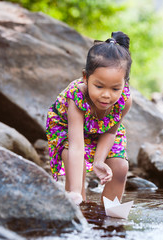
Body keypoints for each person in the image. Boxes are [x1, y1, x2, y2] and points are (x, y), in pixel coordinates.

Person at [46, 31, 133, 205]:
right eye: (99, 86)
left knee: (120, 167)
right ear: (86, 78)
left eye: (115, 88)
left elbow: (110, 132)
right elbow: (77, 146)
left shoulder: (124, 100)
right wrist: (77, 191)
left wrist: (99, 161)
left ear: (125, 83)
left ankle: (112, 218)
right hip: (68, 129)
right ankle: (77, 203)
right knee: (74, 162)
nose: (106, 95)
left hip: (103, 130)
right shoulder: (76, 97)